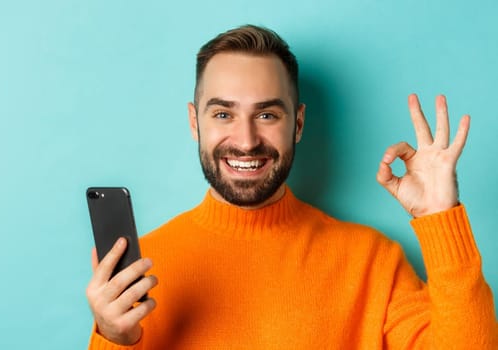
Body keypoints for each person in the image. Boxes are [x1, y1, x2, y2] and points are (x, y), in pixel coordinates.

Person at [85, 25, 497, 349]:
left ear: (298, 123)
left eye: (266, 115)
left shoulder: (374, 262)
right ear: (195, 122)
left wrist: (442, 220)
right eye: (223, 114)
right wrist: (113, 340)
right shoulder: (139, 273)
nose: (245, 140)